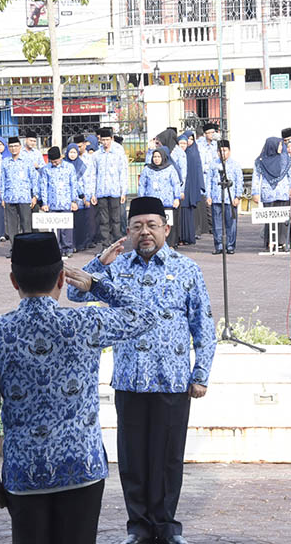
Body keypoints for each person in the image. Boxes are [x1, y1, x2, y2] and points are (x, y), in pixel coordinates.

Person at [0, 232, 158, 544]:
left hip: (24, 471)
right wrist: (97, 284)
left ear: (14, 281)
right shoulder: (85, 323)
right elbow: (146, 315)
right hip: (81, 467)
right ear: (61, 278)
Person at [67, 196, 216, 544]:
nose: (145, 232)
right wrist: (100, 264)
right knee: (133, 459)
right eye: (137, 226)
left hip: (173, 379)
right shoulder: (117, 268)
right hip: (131, 379)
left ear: (166, 228)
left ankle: (166, 527)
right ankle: (138, 527)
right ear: (128, 232)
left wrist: (201, 374)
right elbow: (76, 295)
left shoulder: (187, 269)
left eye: (151, 225)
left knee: (167, 458)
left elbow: (203, 325)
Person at [252, 137, 291, 251]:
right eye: (278, 145)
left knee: (283, 220)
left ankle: (283, 242)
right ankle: (270, 242)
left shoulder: (287, 160)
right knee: (270, 220)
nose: (281, 147)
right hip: (268, 194)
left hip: (283, 193)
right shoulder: (260, 161)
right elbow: (256, 177)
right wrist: (255, 192)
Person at [1, 136, 38, 258]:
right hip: (10, 197)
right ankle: (14, 249)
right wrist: (2, 196)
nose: (13, 149)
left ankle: (27, 250)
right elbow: (2, 180)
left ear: (20, 147)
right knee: (12, 226)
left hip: (24, 197)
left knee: (26, 224)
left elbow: (34, 179)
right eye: (11, 146)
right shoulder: (5, 162)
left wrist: (35, 196)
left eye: (16, 146)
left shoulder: (27, 161)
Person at [38, 146, 78, 257]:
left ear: (61, 157)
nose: (54, 164)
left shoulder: (69, 168)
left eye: (56, 161)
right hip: (52, 203)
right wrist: (44, 203)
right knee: (54, 229)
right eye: (52, 162)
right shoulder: (46, 169)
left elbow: (73, 185)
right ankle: (56, 249)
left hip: (66, 202)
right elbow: (43, 186)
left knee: (67, 228)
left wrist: (74, 201)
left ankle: (68, 248)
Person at [138, 147, 181, 248]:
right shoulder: (147, 169)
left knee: (167, 224)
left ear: (163, 157)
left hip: (167, 202)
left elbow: (176, 183)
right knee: (153, 224)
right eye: (154, 157)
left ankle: (169, 245)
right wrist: (141, 199)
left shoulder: (170, 168)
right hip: (151, 203)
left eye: (158, 157)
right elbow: (142, 185)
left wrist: (176, 197)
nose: (156, 159)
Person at [93, 127, 128, 247]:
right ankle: (106, 245)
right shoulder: (97, 155)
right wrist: (92, 193)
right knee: (104, 220)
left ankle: (117, 243)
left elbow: (123, 172)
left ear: (112, 139)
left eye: (107, 139)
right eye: (103, 140)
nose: (105, 142)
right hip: (101, 191)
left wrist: (123, 192)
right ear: (100, 140)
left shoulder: (118, 154)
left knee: (116, 218)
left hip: (115, 191)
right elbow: (93, 174)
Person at [207, 140, 243, 254]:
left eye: (224, 150)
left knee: (231, 223)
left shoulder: (235, 165)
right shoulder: (213, 164)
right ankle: (219, 245)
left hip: (230, 198)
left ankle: (230, 245)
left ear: (229, 151)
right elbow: (208, 181)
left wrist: (238, 196)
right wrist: (208, 195)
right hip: (216, 197)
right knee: (217, 224)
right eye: (220, 151)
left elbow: (239, 181)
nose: (222, 153)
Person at [66, 142, 94, 253]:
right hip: (67, 199)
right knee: (69, 223)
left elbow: (86, 182)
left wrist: (86, 197)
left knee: (80, 222)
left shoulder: (82, 165)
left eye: (74, 152)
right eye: (70, 152)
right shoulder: (64, 165)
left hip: (80, 198)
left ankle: (81, 243)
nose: (72, 155)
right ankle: (70, 244)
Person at [179, 130, 205, 246]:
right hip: (183, 185)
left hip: (192, 185)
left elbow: (198, 168)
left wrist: (200, 185)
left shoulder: (195, 152)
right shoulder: (180, 153)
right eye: (187, 139)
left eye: (191, 139)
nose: (189, 142)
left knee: (191, 209)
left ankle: (191, 233)